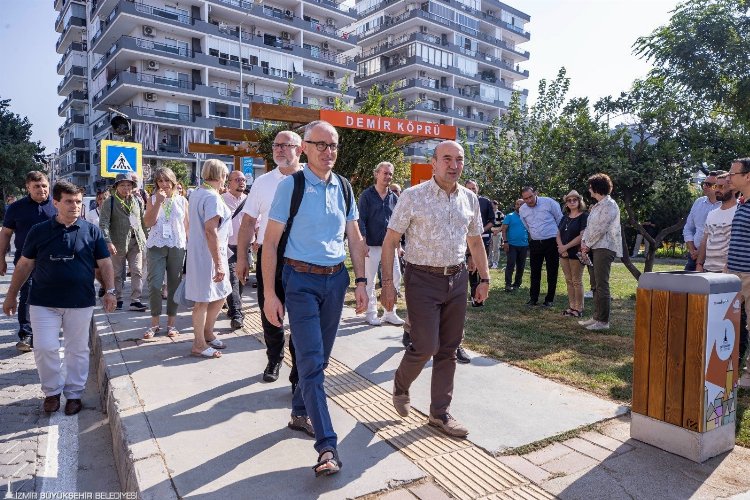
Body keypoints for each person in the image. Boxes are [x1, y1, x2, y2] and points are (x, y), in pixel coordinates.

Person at [262, 120, 367, 477]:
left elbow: (354, 238)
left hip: (336, 281)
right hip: (300, 281)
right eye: (320, 144)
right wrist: (269, 295)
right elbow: (271, 244)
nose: (328, 151)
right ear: (304, 148)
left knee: (317, 359)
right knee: (310, 361)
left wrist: (363, 282)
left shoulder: (345, 187)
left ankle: (298, 410)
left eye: (333, 144)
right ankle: (327, 447)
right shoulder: (290, 187)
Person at [381, 140, 490, 439]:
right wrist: (388, 285)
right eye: (447, 159)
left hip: (456, 280)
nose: (454, 165)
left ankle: (439, 413)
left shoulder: (470, 199)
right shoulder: (413, 197)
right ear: (433, 162)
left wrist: (484, 278)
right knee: (426, 345)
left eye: (459, 160)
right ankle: (401, 384)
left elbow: (476, 241)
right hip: (421, 280)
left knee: (449, 349)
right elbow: (391, 241)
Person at [2, 181, 116, 415]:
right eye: (68, 201)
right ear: (55, 203)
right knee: (44, 347)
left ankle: (74, 394)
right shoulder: (39, 231)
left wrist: (110, 291)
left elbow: (104, 264)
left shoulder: (91, 231)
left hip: (80, 302)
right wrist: (11, 295)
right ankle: (52, 392)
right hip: (43, 301)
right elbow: (24, 265)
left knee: (77, 350)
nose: (75, 206)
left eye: (78, 202)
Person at [236, 130, 304, 387]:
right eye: (276, 145)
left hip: (302, 256)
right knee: (269, 310)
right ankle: (274, 357)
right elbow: (248, 222)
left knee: (301, 313)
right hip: (269, 255)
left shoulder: (311, 178)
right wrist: (242, 257)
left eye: (286, 145)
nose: (279, 150)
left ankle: (298, 367)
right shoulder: (263, 183)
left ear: (300, 149)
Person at [0, 171, 57, 352]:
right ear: (28, 188)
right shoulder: (16, 208)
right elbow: (6, 234)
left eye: (44, 186)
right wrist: (1, 258)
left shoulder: (58, 205)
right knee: (27, 294)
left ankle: (49, 330)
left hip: (55, 261)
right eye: (36, 186)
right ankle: (26, 333)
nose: (41, 190)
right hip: (26, 262)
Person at [185, 159, 232, 358]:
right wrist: (219, 263)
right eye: (225, 176)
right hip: (209, 254)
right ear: (220, 175)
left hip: (203, 252)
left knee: (221, 292)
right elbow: (210, 231)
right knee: (203, 300)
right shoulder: (211, 197)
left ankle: (207, 332)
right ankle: (199, 344)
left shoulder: (197, 193)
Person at [142, 167, 188, 339]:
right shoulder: (153, 198)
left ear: (173, 181)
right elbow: (148, 222)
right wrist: (158, 203)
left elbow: (187, 226)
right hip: (156, 245)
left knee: (174, 285)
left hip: (177, 245)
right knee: (154, 285)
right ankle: (154, 324)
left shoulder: (183, 200)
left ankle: (171, 324)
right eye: (160, 181)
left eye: (167, 180)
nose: (164, 184)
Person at [358, 161, 404, 326]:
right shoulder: (366, 195)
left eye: (390, 174)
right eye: (385, 173)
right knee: (370, 279)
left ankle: (390, 312)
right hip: (371, 245)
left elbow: (398, 223)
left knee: (396, 277)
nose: (388, 177)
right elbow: (360, 220)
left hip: (390, 247)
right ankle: (371, 313)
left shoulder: (395, 198)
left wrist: (399, 246)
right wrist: (362, 243)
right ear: (376, 174)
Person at [99, 173, 148, 311]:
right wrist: (108, 241)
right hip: (117, 242)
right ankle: (118, 299)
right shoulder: (110, 202)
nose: (126, 187)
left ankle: (135, 300)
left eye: (128, 185)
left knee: (137, 270)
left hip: (136, 241)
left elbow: (141, 222)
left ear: (132, 186)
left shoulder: (137, 200)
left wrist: (146, 237)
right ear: (116, 187)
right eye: (122, 185)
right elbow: (103, 224)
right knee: (117, 272)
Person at [579, 173, 622, 331]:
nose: (589, 190)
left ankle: (603, 321)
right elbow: (590, 227)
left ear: (597, 188)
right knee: (595, 284)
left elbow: (601, 229)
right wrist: (584, 242)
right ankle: (596, 317)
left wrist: (587, 245)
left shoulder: (610, 205)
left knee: (602, 284)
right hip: (593, 247)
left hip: (604, 247)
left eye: (590, 187)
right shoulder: (597, 205)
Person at [519, 187, 562, 306]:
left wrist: (557, 236)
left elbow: (559, 219)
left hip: (552, 241)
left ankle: (549, 299)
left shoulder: (549, 202)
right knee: (535, 272)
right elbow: (526, 225)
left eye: (530, 197)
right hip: (535, 242)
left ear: (535, 193)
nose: (529, 200)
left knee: (552, 271)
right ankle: (533, 298)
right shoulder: (522, 209)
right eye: (525, 198)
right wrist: (535, 234)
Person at [727, 159, 750, 369]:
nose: (729, 177)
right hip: (732, 274)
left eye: (733, 173)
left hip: (748, 275)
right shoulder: (741, 202)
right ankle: (725, 367)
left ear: (747, 176)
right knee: (727, 321)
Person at [223, 170, 248, 330]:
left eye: (243, 179)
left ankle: (233, 307)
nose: (241, 182)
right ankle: (237, 314)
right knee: (232, 279)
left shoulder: (250, 200)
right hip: (228, 247)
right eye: (237, 179)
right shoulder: (221, 200)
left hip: (245, 247)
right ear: (229, 183)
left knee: (242, 279)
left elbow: (257, 220)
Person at [556, 190, 588, 318]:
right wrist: (561, 248)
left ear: (579, 201)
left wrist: (565, 247)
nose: (572, 202)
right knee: (568, 281)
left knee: (576, 281)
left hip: (576, 253)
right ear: (566, 203)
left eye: (575, 199)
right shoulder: (565, 217)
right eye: (569, 200)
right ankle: (571, 306)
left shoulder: (584, 216)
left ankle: (579, 309)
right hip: (563, 253)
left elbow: (582, 236)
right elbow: (558, 233)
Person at [464, 180, 495, 307]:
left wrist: (480, 231)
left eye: (473, 188)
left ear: (478, 188)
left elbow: (492, 221)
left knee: (480, 266)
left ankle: (480, 297)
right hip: (465, 240)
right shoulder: (461, 200)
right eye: (469, 188)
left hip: (483, 240)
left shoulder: (485, 202)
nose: (472, 190)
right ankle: (473, 295)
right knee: (470, 269)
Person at [697, 172, 735, 274]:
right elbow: (705, 240)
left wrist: (726, 270)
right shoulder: (711, 214)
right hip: (707, 270)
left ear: (732, 188)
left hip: (728, 271)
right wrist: (699, 264)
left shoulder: (739, 212)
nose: (717, 190)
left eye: (721, 186)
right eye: (715, 186)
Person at [683, 172, 720, 271]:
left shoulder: (726, 206)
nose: (705, 186)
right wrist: (692, 250)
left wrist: (701, 252)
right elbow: (688, 228)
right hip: (693, 257)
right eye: (704, 183)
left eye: (709, 184)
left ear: (719, 186)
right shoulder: (698, 202)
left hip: (714, 258)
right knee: (685, 285)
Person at [501, 199, 529, 292]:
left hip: (524, 245)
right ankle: (508, 285)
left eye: (521, 204)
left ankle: (517, 284)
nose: (519, 206)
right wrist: (505, 242)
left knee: (521, 266)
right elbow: (504, 230)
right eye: (517, 204)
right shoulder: (510, 216)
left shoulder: (527, 216)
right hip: (511, 245)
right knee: (511, 264)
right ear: (515, 206)